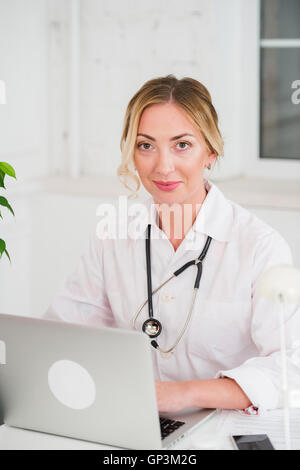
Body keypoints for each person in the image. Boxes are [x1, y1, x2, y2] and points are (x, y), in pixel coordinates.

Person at [44, 75, 300, 415]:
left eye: (182, 145)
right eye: (146, 145)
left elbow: (290, 368)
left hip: (222, 428)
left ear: (210, 152)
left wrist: (181, 395)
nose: (163, 167)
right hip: (133, 421)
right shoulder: (112, 236)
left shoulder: (260, 247)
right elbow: (63, 334)